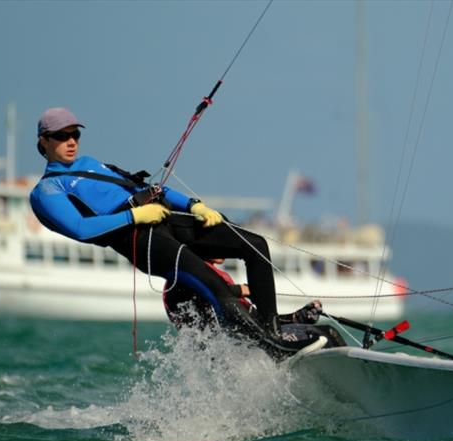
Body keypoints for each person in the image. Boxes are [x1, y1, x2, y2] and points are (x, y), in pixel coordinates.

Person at [29, 107, 323, 356]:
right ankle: (269, 347)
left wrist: (194, 206)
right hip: (139, 239)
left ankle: (273, 330)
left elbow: (149, 188)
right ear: (43, 141)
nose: (70, 141)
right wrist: (135, 215)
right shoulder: (46, 190)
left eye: (75, 134)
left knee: (255, 245)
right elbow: (81, 229)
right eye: (61, 136)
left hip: (165, 217)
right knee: (213, 284)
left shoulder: (91, 164)